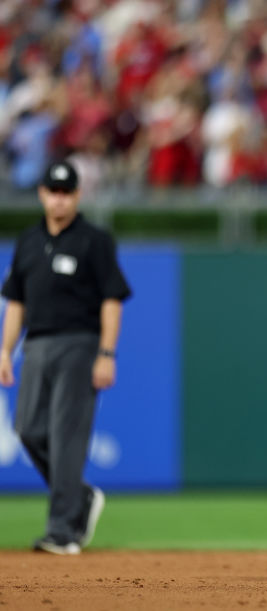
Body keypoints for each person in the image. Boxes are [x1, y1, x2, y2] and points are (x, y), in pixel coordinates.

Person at [0, 161, 131, 555]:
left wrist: (107, 353)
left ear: (77, 195)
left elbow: (112, 299)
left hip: (79, 342)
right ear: (42, 193)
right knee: (27, 428)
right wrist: (5, 350)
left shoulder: (94, 240)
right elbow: (17, 302)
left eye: (66, 192)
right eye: (53, 191)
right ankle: (80, 498)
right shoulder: (28, 241)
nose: (59, 199)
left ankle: (62, 530)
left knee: (65, 437)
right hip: (36, 344)